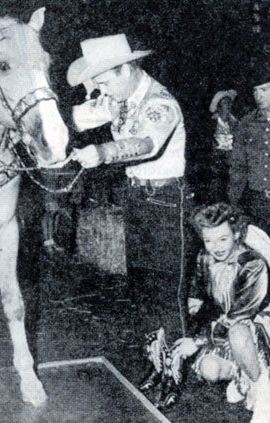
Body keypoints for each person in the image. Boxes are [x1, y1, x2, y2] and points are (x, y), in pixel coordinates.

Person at [67, 33, 194, 312]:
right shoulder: (119, 98)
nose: (103, 92)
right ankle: (152, 353)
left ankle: (177, 354)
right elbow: (74, 118)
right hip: (136, 197)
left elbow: (146, 144)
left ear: (125, 69)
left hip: (166, 201)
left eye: (104, 83)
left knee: (167, 294)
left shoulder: (159, 103)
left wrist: (102, 152)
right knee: (141, 289)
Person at [139, 203, 270, 423]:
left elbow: (240, 315)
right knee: (209, 370)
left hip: (259, 325)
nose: (215, 247)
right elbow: (195, 300)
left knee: (238, 332)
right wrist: (172, 324)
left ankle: (263, 389)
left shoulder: (252, 263)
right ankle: (243, 377)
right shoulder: (204, 257)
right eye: (208, 240)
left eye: (222, 239)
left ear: (236, 234)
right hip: (225, 325)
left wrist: (197, 341)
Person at [228, 62, 270, 309]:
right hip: (257, 204)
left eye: (263, 89)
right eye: (254, 91)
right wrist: (232, 205)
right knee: (261, 261)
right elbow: (238, 167)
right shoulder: (246, 123)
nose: (257, 96)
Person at [208, 89, 238, 202]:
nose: (229, 105)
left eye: (230, 103)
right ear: (218, 106)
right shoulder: (210, 124)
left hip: (232, 164)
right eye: (225, 103)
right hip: (215, 165)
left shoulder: (237, 124)